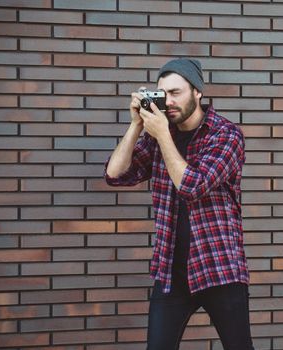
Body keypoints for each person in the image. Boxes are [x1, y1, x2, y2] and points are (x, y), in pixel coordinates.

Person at [104, 58, 254, 350]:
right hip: (171, 271)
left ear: (197, 92)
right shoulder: (161, 134)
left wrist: (160, 134)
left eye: (176, 93)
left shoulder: (225, 135)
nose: (168, 101)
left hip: (219, 267)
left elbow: (193, 185)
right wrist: (136, 126)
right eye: (162, 94)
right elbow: (115, 174)